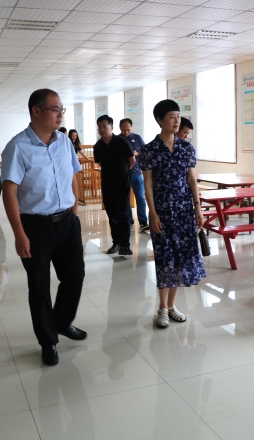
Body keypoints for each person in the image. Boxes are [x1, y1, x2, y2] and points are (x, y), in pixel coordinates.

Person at [2, 88, 86, 366]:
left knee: (75, 276)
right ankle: (48, 341)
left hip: (66, 222)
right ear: (36, 111)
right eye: (55, 109)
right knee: (39, 287)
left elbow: (72, 176)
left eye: (62, 109)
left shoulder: (64, 142)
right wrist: (19, 234)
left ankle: (60, 322)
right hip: (35, 226)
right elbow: (9, 192)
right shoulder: (18, 147)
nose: (60, 114)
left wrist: (74, 213)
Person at [140, 99, 206, 328]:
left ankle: (171, 306)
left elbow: (192, 180)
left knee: (179, 259)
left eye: (178, 116)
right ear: (160, 120)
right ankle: (161, 308)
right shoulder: (149, 150)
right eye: (171, 116)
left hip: (184, 211)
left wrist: (197, 208)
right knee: (165, 258)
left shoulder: (186, 148)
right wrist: (153, 214)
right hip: (162, 212)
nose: (177, 120)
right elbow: (148, 185)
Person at [93, 115, 134, 255]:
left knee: (124, 214)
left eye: (105, 126)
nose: (102, 129)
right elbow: (100, 163)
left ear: (112, 127)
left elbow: (132, 160)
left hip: (123, 184)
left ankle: (125, 245)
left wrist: (122, 172)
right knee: (112, 214)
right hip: (108, 185)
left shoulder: (122, 142)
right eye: (100, 127)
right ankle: (116, 242)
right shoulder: (98, 146)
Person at [119, 118, 149, 232]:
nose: (126, 132)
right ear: (120, 129)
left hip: (137, 174)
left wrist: (137, 153)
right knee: (125, 199)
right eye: (123, 130)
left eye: (128, 130)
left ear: (131, 128)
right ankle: (129, 222)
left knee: (140, 198)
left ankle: (143, 222)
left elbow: (145, 152)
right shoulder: (117, 139)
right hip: (123, 175)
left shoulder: (137, 138)